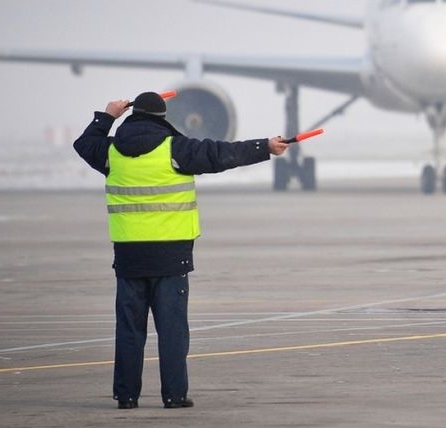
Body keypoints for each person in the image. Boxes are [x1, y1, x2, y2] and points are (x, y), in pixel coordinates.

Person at [73, 91, 289, 409]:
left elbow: (84, 144)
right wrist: (265, 146)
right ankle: (174, 396)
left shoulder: (110, 153)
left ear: (133, 116)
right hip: (171, 257)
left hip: (130, 257)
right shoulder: (176, 149)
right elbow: (223, 153)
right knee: (172, 331)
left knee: (130, 331)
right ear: (162, 119)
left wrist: (107, 116)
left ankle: (126, 396)